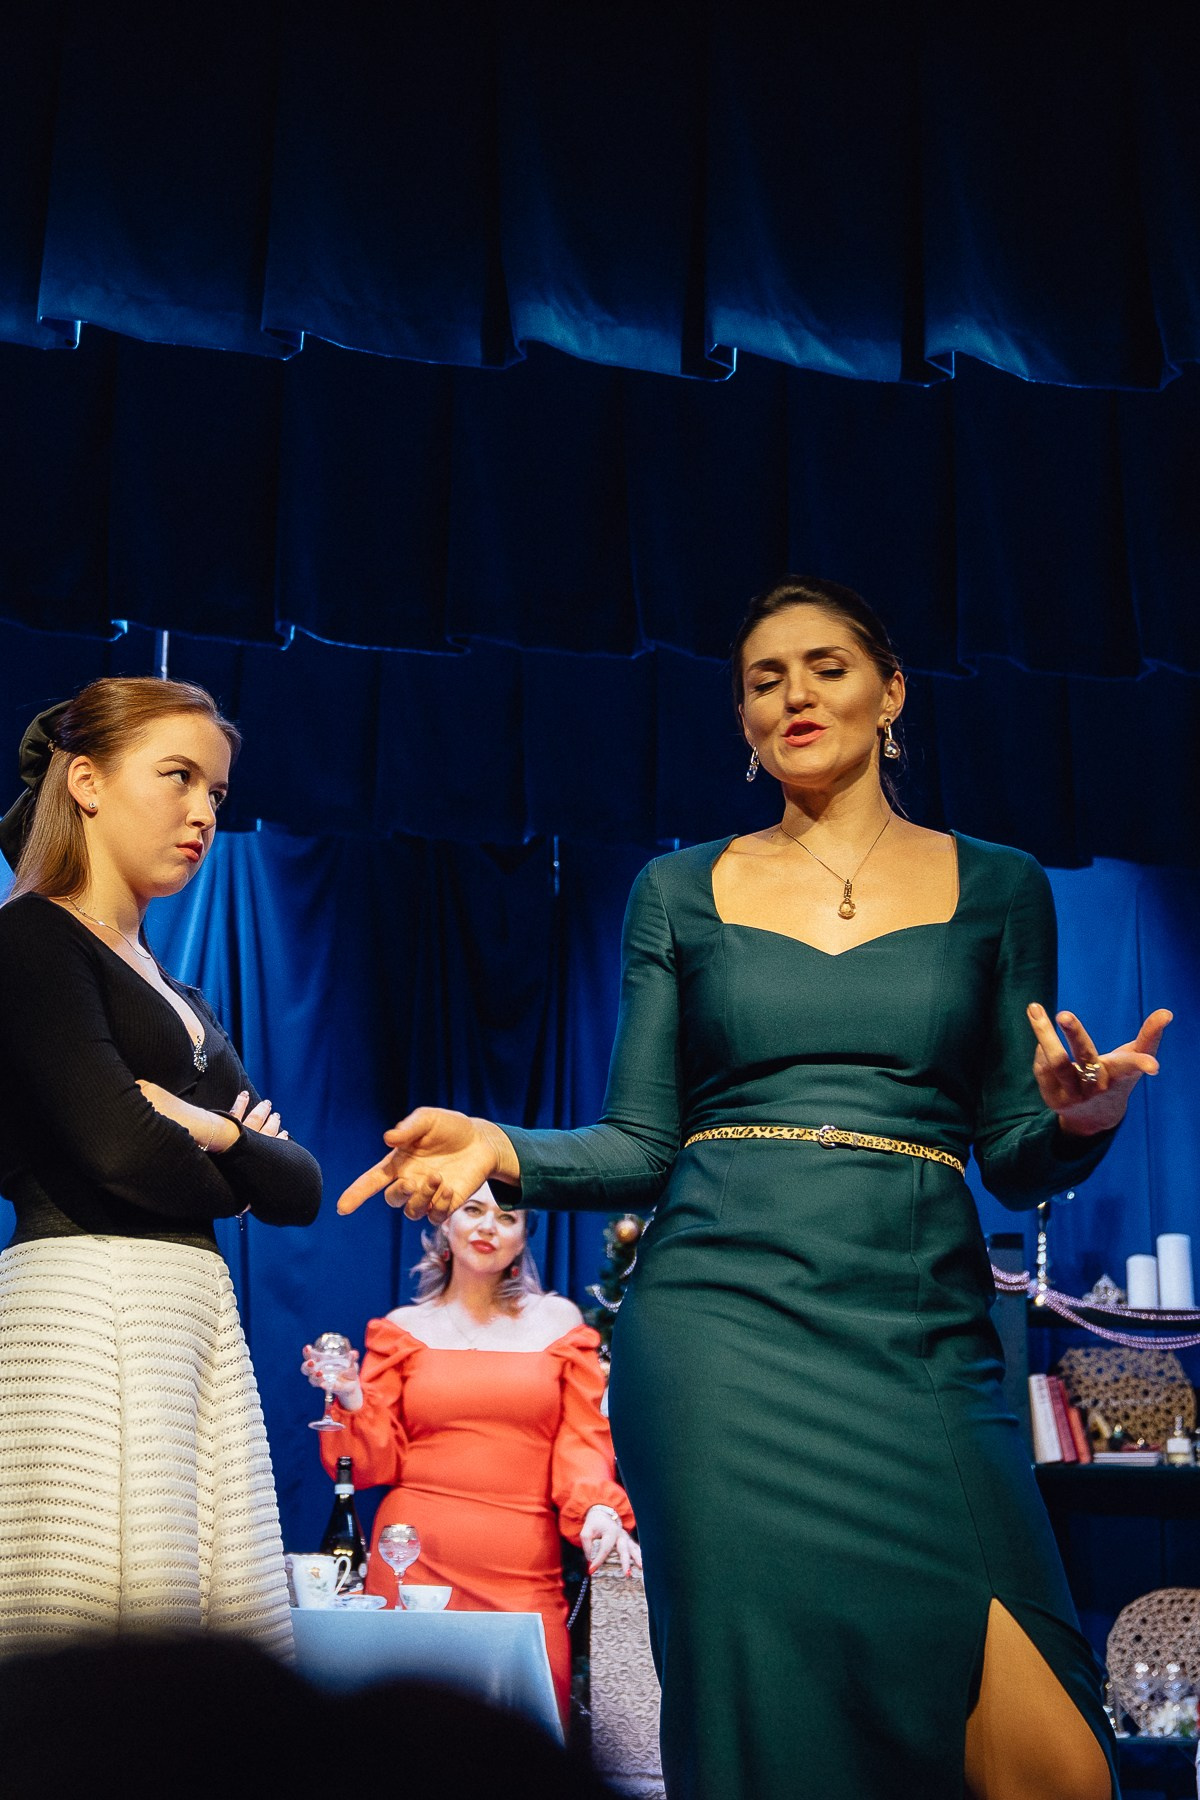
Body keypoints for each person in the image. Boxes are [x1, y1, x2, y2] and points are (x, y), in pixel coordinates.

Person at [337, 576, 1172, 1800]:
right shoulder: (679, 892)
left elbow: (1009, 1146)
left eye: (827, 667)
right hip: (723, 1343)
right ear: (740, 720)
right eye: (764, 680)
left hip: (921, 1341)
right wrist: (500, 1146)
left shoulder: (1000, 886)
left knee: (1054, 1764)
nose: (795, 696)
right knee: (766, 1728)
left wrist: (1081, 1122)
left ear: (892, 692)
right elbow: (639, 1143)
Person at [0, 677, 322, 1656]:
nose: (202, 813)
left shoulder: (180, 992)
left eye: (216, 792)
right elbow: (119, 1149)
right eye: (178, 777)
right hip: (94, 1302)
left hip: (186, 1312)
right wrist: (237, 1157)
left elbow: (301, 1187)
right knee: (95, 1624)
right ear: (87, 782)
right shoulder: (32, 938)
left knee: (197, 1632)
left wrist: (213, 1133)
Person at [304, 1183, 637, 1723]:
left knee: (526, 1745)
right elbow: (366, 1467)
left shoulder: (559, 1323)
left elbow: (583, 1441)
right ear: (445, 1223)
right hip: (410, 1562)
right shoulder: (402, 1330)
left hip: (522, 1573)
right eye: (474, 1210)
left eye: (507, 1217)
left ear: (524, 1235)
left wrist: (599, 1507)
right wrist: (350, 1396)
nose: (488, 1227)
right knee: (405, 1741)